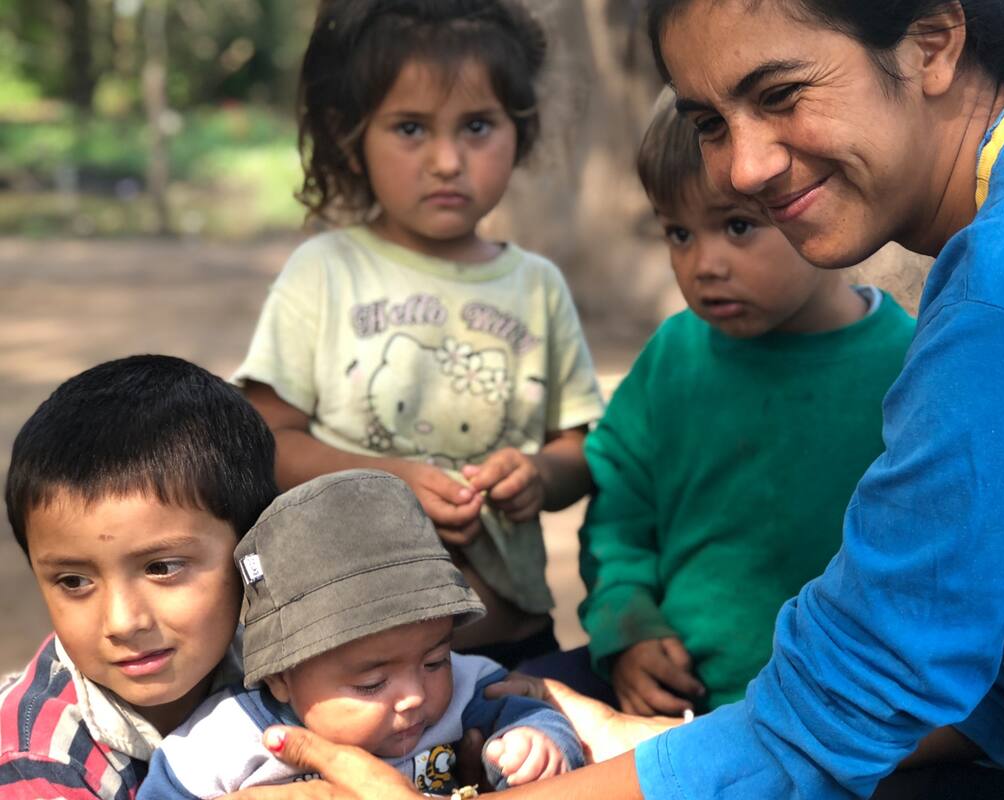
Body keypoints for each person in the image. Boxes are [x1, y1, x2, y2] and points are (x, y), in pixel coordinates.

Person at [224, 0, 1004, 798]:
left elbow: (852, 704)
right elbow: (972, 664)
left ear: (934, 43)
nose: (744, 165)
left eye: (781, 94)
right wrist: (661, 741)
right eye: (709, 122)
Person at [233, 0, 605, 668]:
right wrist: (386, 480)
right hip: (356, 664)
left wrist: (539, 476)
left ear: (520, 131)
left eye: (477, 126)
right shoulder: (325, 272)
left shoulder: (538, 286)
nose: (446, 160)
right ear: (353, 137)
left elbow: (579, 447)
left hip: (512, 647)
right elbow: (265, 440)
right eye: (410, 127)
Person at [570, 92, 914, 715]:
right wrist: (627, 628)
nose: (704, 265)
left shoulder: (910, 367)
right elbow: (619, 514)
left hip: (852, 725)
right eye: (678, 232)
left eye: (736, 226)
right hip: (682, 710)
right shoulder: (673, 356)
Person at [140, 470, 584, 797]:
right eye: (372, 683)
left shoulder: (470, 689)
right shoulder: (226, 741)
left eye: (434, 661)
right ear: (280, 676)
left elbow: (531, 712)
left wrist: (539, 744)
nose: (414, 696)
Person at [0, 355, 278, 799]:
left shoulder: (290, 669)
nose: (123, 622)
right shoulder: (38, 760)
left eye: (162, 568)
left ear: (251, 549)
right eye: (73, 581)